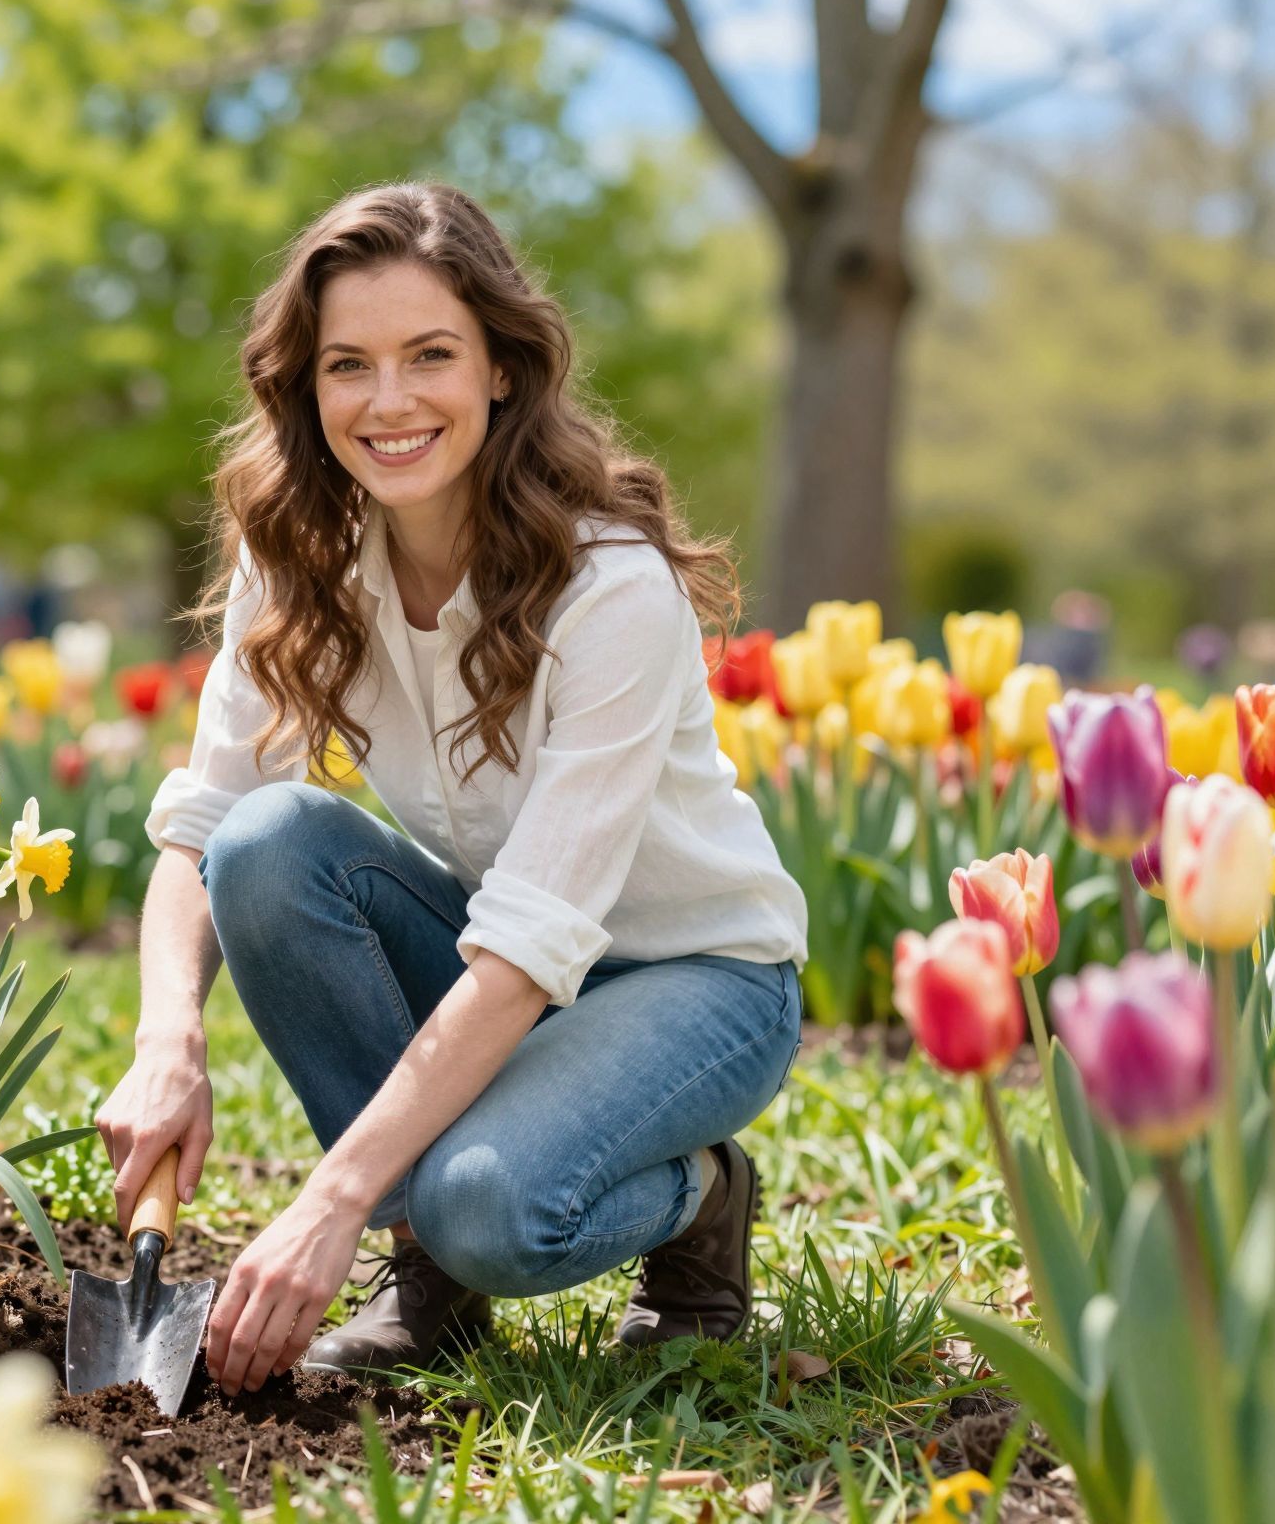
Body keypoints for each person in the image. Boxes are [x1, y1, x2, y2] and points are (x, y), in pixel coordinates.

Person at [93, 182, 809, 1400]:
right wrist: (168, 1040)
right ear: (303, 388)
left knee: (485, 1206)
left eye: (429, 355)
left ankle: (697, 1200)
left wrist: (330, 1204)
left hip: (693, 981)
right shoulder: (301, 560)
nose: (387, 402)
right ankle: (434, 1292)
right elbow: (201, 828)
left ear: (498, 370)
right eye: (346, 365)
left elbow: (529, 950)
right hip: (509, 967)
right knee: (267, 845)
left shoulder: (607, 587)